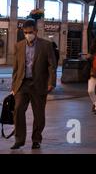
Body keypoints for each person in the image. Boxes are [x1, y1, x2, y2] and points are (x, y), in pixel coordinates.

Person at [10, 20, 57, 150]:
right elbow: (16, 67)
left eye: (30, 32)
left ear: (36, 31)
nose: (28, 34)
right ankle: (19, 140)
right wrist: (13, 86)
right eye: (25, 32)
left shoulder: (46, 45)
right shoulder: (18, 46)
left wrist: (51, 82)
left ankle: (36, 139)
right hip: (22, 84)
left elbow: (52, 65)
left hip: (39, 84)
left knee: (39, 114)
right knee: (18, 110)